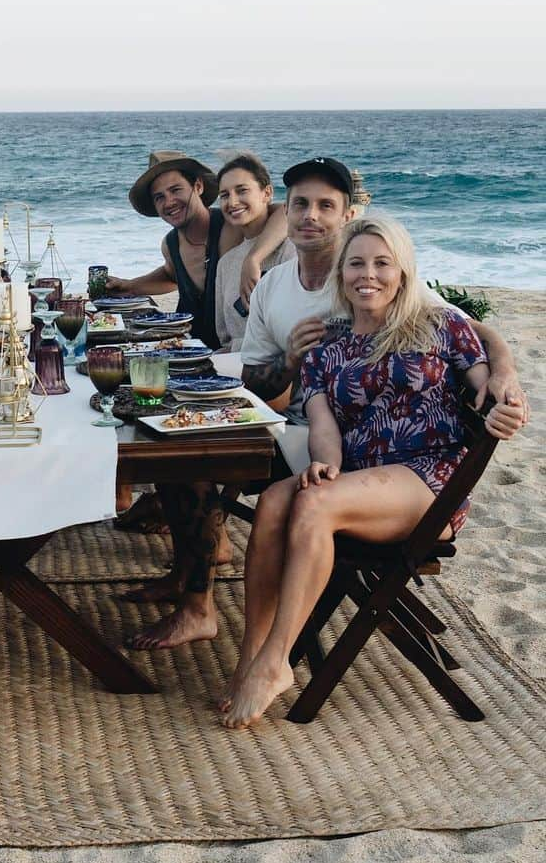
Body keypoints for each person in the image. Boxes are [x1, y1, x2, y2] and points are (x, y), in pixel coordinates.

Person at [125, 156, 528, 650]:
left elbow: (467, 329)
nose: (310, 216)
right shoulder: (275, 285)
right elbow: (256, 378)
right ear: (286, 212)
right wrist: (292, 362)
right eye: (301, 205)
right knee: (181, 445)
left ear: (345, 216)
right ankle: (195, 585)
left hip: (355, 450)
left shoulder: (370, 274)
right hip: (300, 426)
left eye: (325, 206)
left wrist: (504, 372)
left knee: (194, 463)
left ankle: (201, 607)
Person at [221, 215, 525, 728]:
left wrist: (507, 397)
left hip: (430, 481)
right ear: (341, 274)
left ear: (403, 272)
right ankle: (251, 656)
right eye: (357, 263)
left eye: (383, 263)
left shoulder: (438, 325)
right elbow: (321, 423)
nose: (369, 274)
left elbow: (487, 385)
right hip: (357, 478)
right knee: (275, 499)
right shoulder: (327, 346)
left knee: (314, 503)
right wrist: (326, 465)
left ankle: (276, 662)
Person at [106, 151, 288, 349]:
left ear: (198, 187)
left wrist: (254, 257)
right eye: (159, 197)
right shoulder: (170, 244)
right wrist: (129, 286)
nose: (169, 202)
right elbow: (171, 275)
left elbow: (286, 212)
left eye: (176, 190)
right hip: (187, 348)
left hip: (231, 352)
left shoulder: (232, 225)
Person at [212, 153, 295, 352]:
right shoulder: (226, 263)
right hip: (236, 368)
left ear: (267, 193)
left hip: (280, 371)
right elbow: (225, 338)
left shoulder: (290, 249)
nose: (232, 202)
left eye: (242, 191)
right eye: (224, 195)